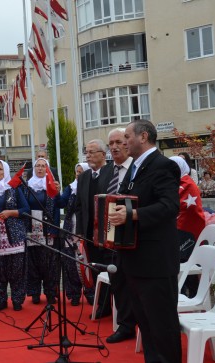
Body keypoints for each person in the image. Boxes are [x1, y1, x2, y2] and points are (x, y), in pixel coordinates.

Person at [109, 119, 181, 363]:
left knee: (162, 326)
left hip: (156, 262)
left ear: (143, 137)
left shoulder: (163, 165)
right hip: (135, 259)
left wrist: (133, 215)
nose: (124, 141)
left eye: (127, 136)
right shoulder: (134, 167)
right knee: (147, 326)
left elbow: (170, 206)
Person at [103, 128, 137, 344]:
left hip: (135, 236)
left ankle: (142, 323)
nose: (114, 147)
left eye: (118, 142)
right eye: (110, 144)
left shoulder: (137, 168)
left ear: (127, 143)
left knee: (136, 283)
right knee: (119, 283)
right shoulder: (107, 172)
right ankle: (125, 325)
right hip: (110, 239)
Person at [0, 160, 29, 311]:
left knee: (16, 269)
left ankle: (17, 299)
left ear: (6, 171)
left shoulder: (14, 188)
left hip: (14, 236)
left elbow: (25, 209)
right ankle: (0, 299)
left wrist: (11, 213)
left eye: (0, 169)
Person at [74, 139, 112, 318]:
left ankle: (115, 305)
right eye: (86, 152)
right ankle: (102, 305)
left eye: (91, 152)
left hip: (109, 232)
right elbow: (79, 206)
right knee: (96, 268)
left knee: (110, 268)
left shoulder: (113, 173)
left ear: (103, 155)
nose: (87, 155)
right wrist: (80, 231)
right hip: (90, 233)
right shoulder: (83, 177)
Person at [23, 157, 63, 305]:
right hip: (31, 227)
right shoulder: (27, 186)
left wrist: (58, 193)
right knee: (33, 261)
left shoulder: (52, 186)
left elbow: (58, 206)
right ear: (34, 169)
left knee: (50, 262)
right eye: (37, 166)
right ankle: (34, 292)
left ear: (48, 170)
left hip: (48, 228)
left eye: (43, 166)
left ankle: (51, 292)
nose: (40, 168)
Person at [59, 163, 93, 305]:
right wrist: (55, 193)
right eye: (76, 172)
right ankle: (74, 294)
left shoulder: (90, 188)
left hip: (85, 230)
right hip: (70, 228)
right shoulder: (71, 188)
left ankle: (90, 292)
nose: (78, 174)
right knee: (70, 263)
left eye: (81, 172)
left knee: (87, 262)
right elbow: (61, 203)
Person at [170, 156, 206, 262]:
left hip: (186, 227)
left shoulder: (186, 184)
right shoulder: (181, 181)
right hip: (182, 225)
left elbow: (173, 203)